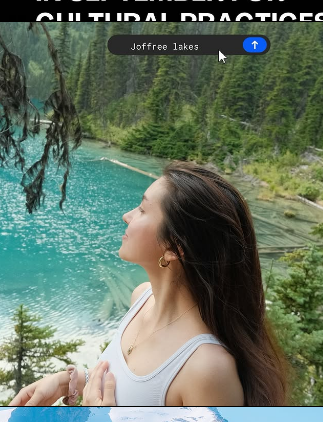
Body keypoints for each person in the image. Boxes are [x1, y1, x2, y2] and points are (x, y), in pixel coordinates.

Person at [12, 162, 289, 407]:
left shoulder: (206, 369)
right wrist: (70, 382)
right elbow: (127, 389)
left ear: (175, 248)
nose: (127, 215)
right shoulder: (141, 299)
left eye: (142, 209)